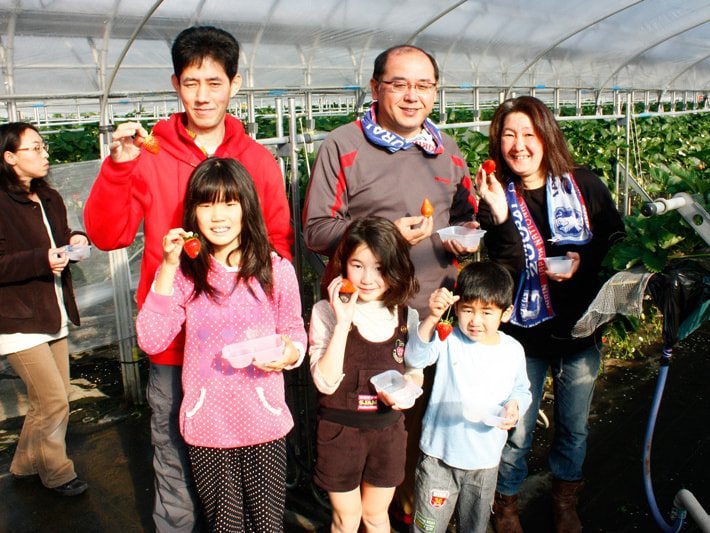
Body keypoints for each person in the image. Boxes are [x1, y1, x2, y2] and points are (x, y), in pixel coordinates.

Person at [83, 26, 293, 531]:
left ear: (234, 84)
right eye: (191, 82)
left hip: (243, 350)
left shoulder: (258, 161)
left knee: (252, 477)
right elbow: (108, 235)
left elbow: (278, 245)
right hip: (173, 346)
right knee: (175, 462)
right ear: (176, 83)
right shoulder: (149, 154)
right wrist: (118, 168)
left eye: (215, 82)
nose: (203, 95)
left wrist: (272, 334)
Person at [302, 44, 479, 520]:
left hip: (433, 313)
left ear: (435, 92)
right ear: (376, 88)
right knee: (366, 424)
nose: (411, 95)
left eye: (423, 86)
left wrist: (464, 238)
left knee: (421, 425)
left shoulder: (447, 150)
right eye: (399, 84)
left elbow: (465, 216)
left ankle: (413, 514)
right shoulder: (343, 145)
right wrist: (384, 237)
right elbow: (315, 230)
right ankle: (360, 514)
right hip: (367, 321)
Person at [475, 95, 625, 533]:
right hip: (523, 339)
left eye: (528, 134)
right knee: (516, 430)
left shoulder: (584, 184)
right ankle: (506, 506)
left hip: (579, 330)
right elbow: (504, 272)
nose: (518, 145)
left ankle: (564, 501)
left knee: (573, 426)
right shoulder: (496, 195)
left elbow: (616, 242)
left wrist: (583, 260)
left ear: (546, 136)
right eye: (508, 135)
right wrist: (500, 217)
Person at [135, 158, 306, 532]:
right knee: (225, 525)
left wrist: (290, 353)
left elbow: (294, 331)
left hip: (264, 422)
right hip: (208, 426)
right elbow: (150, 339)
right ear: (192, 212)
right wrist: (167, 266)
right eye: (206, 204)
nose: (218, 216)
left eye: (229, 203)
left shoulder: (275, 269)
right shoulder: (185, 274)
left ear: (247, 206)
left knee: (267, 525)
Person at [308, 216, 421, 533]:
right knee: (347, 519)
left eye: (380, 268)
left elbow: (415, 370)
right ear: (344, 264)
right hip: (340, 433)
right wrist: (343, 322)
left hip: (388, 432)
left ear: (396, 268)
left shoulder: (406, 315)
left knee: (375, 515)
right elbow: (325, 382)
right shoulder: (325, 312)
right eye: (357, 266)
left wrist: (408, 391)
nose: (368, 279)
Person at [405, 261, 532, 533]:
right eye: (467, 310)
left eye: (487, 312)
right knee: (427, 528)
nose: (475, 321)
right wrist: (432, 318)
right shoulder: (447, 338)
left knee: (474, 527)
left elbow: (522, 390)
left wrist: (515, 405)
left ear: (506, 313)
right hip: (439, 457)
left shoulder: (512, 351)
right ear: (456, 307)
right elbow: (415, 358)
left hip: (485, 461)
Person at [0, 122, 90, 496]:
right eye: (35, 148)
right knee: (52, 400)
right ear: (10, 157)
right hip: (19, 320)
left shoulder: (48, 196)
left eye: (43, 146)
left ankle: (24, 463)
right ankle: (57, 472)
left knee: (50, 397)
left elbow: (61, 236)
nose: (45, 154)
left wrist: (76, 239)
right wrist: (41, 259)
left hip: (53, 311)